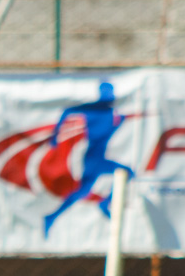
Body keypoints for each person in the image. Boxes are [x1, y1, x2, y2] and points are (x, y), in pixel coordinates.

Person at [44, 82, 134, 236]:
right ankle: (105, 202)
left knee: (82, 191)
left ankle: (52, 216)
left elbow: (107, 134)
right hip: (94, 158)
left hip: (96, 157)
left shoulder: (110, 111)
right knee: (128, 173)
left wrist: (120, 123)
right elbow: (67, 111)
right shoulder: (94, 108)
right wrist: (55, 135)